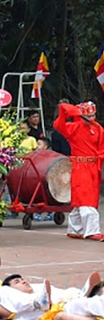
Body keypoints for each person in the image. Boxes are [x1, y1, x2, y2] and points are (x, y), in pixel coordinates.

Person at [53, 101, 104, 241]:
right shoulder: (73, 127)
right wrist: (64, 111)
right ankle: (92, 231)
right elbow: (58, 125)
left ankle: (75, 229)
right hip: (80, 167)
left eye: (94, 115)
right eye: (89, 116)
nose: (92, 119)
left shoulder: (98, 128)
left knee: (86, 199)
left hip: (93, 167)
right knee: (84, 197)